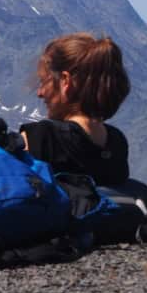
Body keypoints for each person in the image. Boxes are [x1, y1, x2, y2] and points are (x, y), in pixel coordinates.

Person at [19, 32, 132, 186]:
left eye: (44, 82)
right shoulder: (117, 142)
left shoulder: (42, 137)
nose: (40, 93)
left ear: (65, 81)